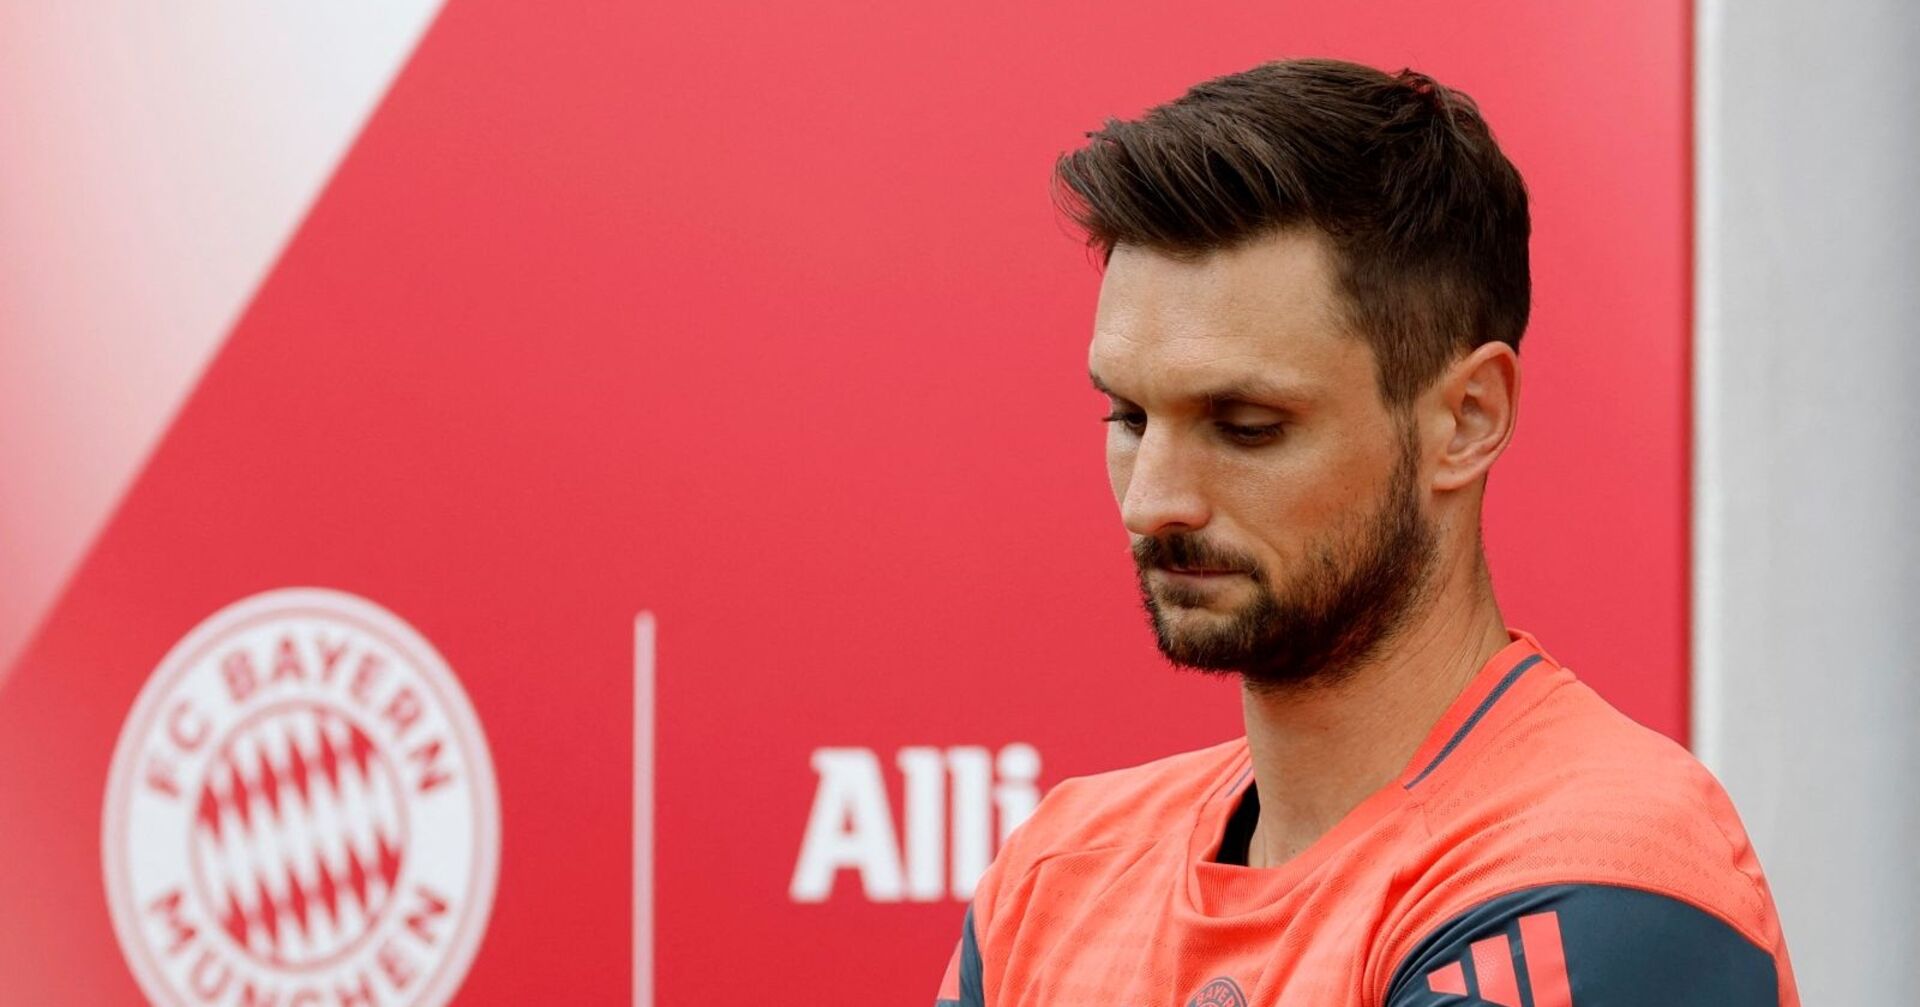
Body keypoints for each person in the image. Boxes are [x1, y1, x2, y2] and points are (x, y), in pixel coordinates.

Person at [934, 58, 1797, 1007]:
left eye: (1246, 425)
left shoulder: (1595, 872)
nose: (1154, 501)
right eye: (1129, 418)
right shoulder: (1056, 874)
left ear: (1466, 418)